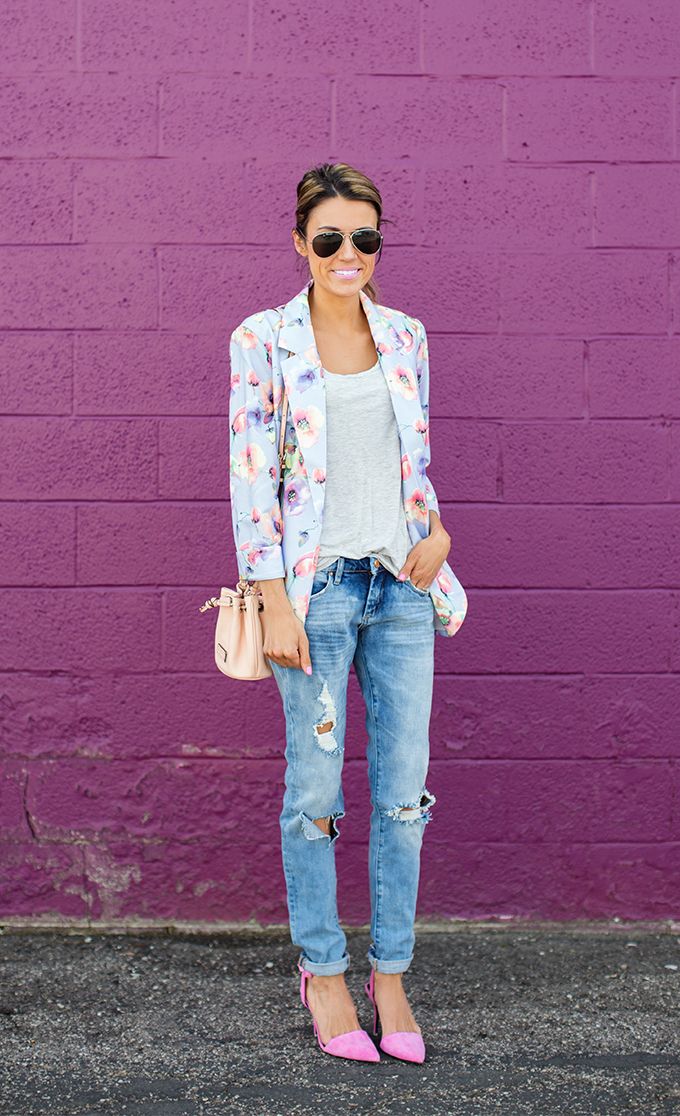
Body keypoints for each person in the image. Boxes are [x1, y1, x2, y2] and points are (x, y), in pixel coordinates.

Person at [228, 162, 468, 1062]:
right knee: (316, 795)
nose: (347, 253)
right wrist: (273, 599)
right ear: (301, 243)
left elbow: (411, 461)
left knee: (403, 796)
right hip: (316, 594)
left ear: (378, 242)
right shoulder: (262, 340)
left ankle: (391, 976)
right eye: (328, 238)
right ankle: (323, 973)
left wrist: (439, 529)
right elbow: (252, 481)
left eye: (364, 237)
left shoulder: (406, 336)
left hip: (403, 586)